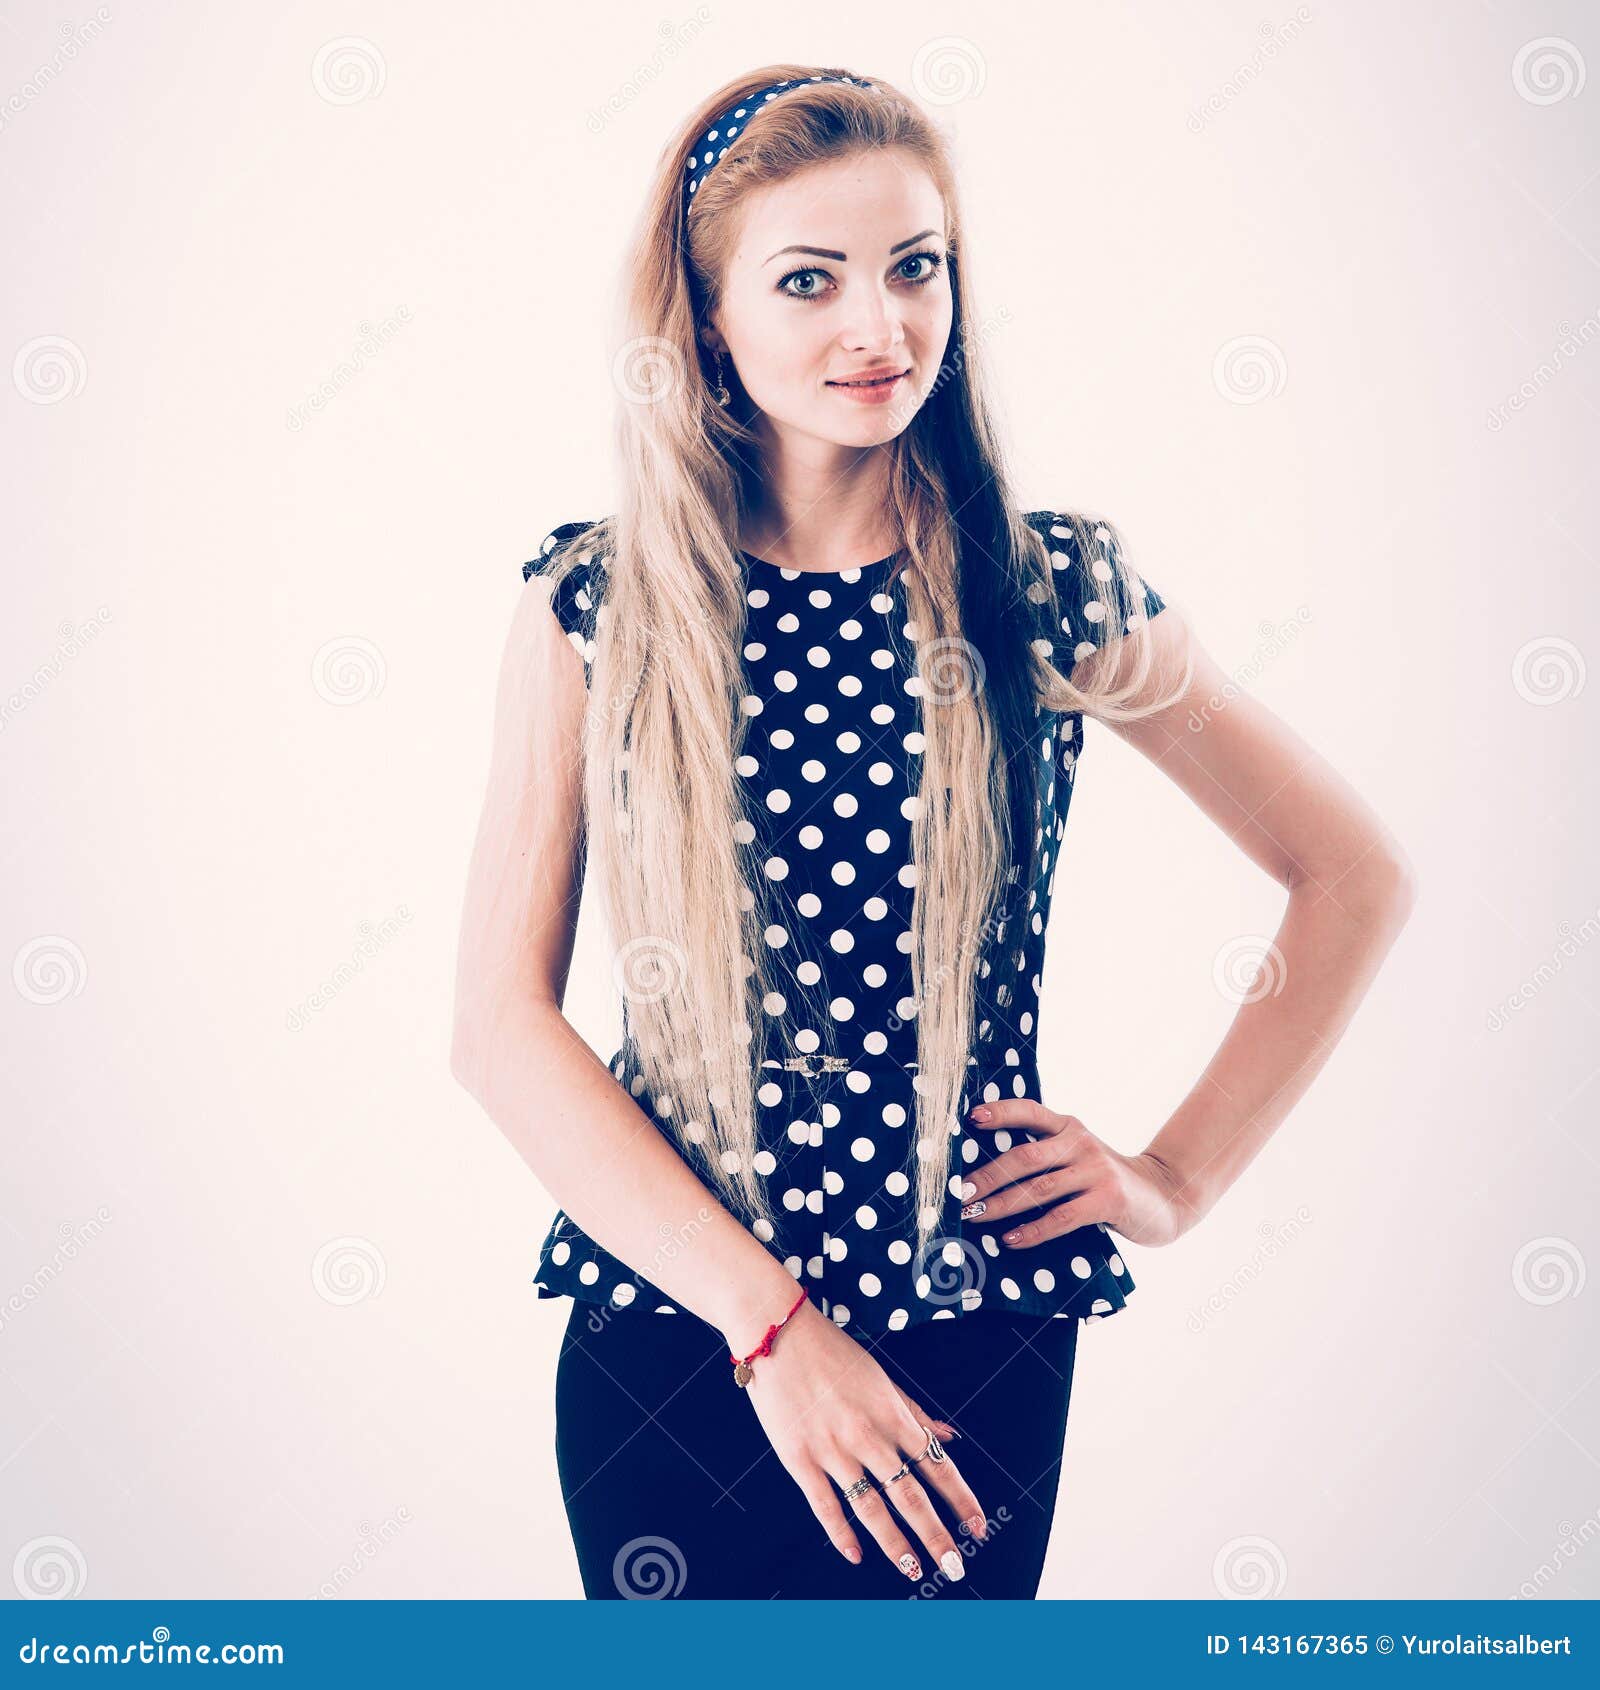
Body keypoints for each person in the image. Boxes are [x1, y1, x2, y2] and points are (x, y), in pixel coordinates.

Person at [450, 65, 1417, 1601]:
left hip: (973, 1334)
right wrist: (771, 1329)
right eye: (809, 280)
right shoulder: (599, 606)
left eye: (916, 267)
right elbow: (499, 1029)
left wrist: (1171, 1176)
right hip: (680, 1339)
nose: (878, 327)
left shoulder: (1049, 594)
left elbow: (1352, 876)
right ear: (709, 320)